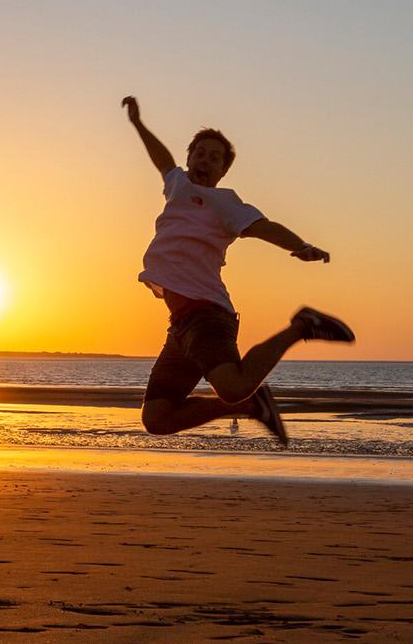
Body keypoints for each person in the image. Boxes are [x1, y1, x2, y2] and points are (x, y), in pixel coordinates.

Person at [124, 96, 355, 447]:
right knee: (157, 418)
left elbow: (264, 226)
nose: (206, 160)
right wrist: (139, 124)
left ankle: (303, 326)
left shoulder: (225, 203)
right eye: (200, 153)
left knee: (233, 384)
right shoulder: (177, 186)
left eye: (215, 157)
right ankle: (249, 405)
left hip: (208, 315)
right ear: (189, 159)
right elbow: (160, 158)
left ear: (223, 171)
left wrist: (299, 245)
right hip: (181, 328)